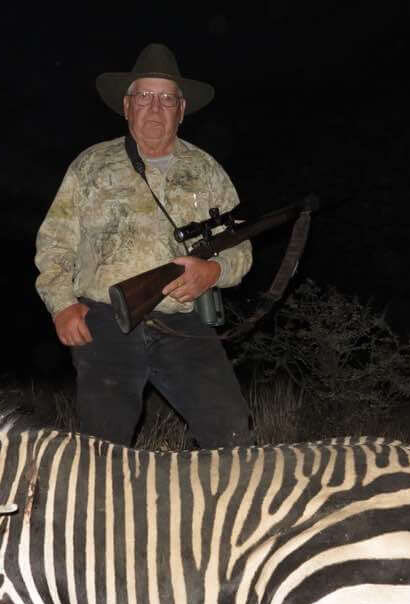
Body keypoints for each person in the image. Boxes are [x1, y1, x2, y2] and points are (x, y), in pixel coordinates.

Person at [35, 43, 253, 448]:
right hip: (106, 321)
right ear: (127, 105)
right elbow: (54, 242)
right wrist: (61, 304)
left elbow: (240, 247)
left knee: (233, 432)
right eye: (145, 96)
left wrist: (214, 271)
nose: (155, 107)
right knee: (103, 448)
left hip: (186, 325)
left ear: (181, 108)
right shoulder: (91, 165)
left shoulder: (207, 170)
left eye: (166, 98)